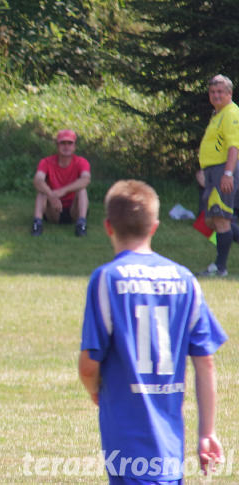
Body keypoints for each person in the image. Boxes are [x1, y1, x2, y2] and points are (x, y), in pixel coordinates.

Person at [79, 180, 227, 483]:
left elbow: (88, 363)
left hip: (126, 441)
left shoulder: (107, 279)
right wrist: (207, 432)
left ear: (108, 226)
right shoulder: (185, 280)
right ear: (155, 227)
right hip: (170, 446)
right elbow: (206, 361)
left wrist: (95, 389)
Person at [197, 74, 239, 276]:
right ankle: (219, 265)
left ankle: (220, 268)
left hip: (223, 170)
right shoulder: (217, 113)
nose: (216, 95)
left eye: (220, 92)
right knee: (211, 220)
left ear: (229, 93)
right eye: (212, 92)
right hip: (213, 171)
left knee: (220, 219)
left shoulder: (231, 113)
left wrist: (228, 173)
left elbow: (234, 147)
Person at [31, 129, 91, 236]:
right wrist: (51, 195)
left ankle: (81, 224)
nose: (66, 147)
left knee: (82, 190)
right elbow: (38, 180)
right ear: (57, 146)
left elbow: (86, 179)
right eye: (63, 143)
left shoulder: (81, 162)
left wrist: (63, 191)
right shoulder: (46, 162)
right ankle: (37, 224)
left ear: (74, 146)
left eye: (69, 143)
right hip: (53, 210)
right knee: (42, 191)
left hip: (73, 209)